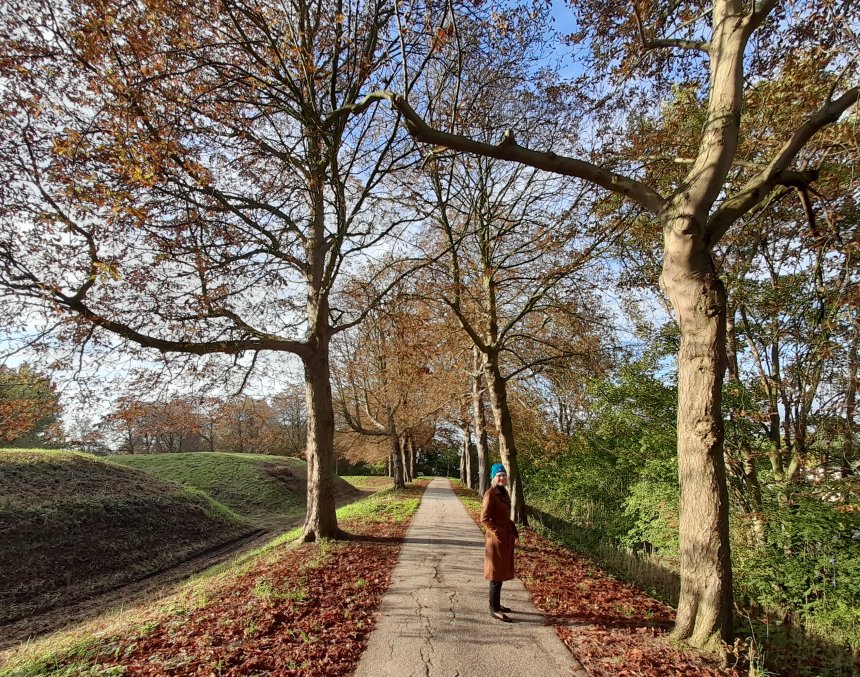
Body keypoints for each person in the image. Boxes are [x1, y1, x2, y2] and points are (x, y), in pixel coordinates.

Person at [480, 462, 519, 622]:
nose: (502, 477)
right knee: (495, 575)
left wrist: (511, 528)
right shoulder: (490, 494)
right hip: (496, 541)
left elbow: (504, 516)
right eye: (499, 475)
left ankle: (496, 603)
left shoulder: (504, 492)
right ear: (493, 478)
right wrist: (499, 532)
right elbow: (484, 519)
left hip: (505, 538)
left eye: (503, 475)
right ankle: (494, 609)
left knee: (500, 573)